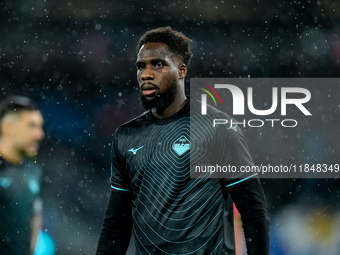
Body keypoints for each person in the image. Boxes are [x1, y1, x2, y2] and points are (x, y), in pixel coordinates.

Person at [96, 26, 270, 255]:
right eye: (141, 66)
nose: (146, 74)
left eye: (157, 64)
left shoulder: (217, 128)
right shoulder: (126, 136)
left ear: (181, 71)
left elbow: (253, 211)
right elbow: (116, 226)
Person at [0, 96, 45, 255]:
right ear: (7, 128)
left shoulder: (35, 171)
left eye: (40, 127)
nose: (40, 134)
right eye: (31, 126)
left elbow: (35, 218)